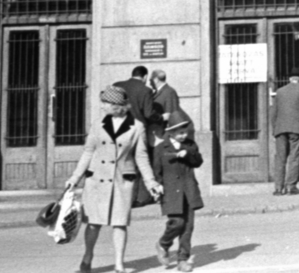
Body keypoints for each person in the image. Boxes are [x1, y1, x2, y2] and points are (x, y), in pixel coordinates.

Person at [65, 86, 163, 273]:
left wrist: (150, 182)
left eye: (106, 103)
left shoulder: (137, 127)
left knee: (120, 223)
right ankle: (88, 256)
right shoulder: (98, 124)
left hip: (121, 181)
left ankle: (119, 264)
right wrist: (75, 177)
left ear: (117, 105)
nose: (102, 106)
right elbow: (88, 152)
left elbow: (141, 157)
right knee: (93, 223)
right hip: (96, 179)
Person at [154, 111, 205, 272]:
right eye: (180, 133)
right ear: (170, 132)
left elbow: (198, 162)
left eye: (185, 132)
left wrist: (188, 154)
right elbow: (156, 170)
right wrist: (157, 185)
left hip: (189, 190)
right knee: (177, 222)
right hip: (170, 191)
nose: (184, 135)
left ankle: (183, 259)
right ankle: (163, 243)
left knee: (188, 226)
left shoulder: (190, 145)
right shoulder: (161, 148)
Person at [270, 71, 299, 195]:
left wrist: (274, 130)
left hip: (280, 129)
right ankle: (291, 187)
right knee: (294, 158)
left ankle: (278, 188)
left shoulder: (280, 91)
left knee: (280, 158)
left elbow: (273, 113)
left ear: (290, 79)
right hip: (297, 129)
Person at [116, 66, 158, 138]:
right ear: (145, 76)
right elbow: (148, 114)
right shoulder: (146, 90)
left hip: (117, 128)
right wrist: (161, 118)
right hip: (137, 130)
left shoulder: (117, 85)